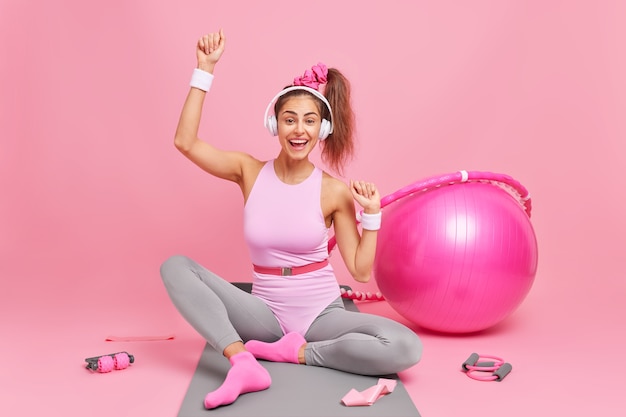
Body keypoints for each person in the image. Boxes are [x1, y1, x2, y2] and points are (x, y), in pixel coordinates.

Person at [160, 29, 422, 410]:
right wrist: (204, 70)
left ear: (322, 129)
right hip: (263, 313)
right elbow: (185, 142)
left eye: (310, 121)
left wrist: (373, 216)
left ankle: (294, 354)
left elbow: (361, 271)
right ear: (275, 125)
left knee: (405, 346)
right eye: (290, 119)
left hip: (320, 314)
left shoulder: (332, 190)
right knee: (176, 267)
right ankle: (243, 360)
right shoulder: (247, 170)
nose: (299, 130)